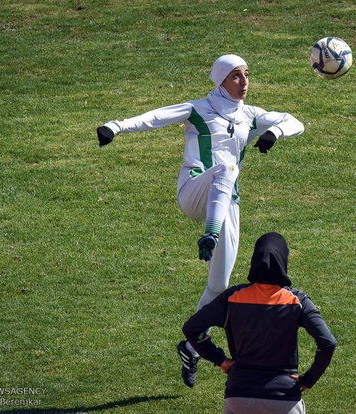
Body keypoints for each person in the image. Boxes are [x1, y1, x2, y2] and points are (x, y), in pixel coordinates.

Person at [96, 55, 305, 387]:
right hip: (194, 193)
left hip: (226, 206)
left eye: (247, 75)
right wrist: (115, 126)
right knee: (227, 168)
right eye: (236, 76)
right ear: (220, 79)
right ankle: (208, 234)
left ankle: (193, 345)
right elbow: (155, 118)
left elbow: (296, 121)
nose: (244, 82)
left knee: (219, 285)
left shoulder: (251, 115)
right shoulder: (198, 108)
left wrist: (274, 133)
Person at [182, 232, 336, 413]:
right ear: (283, 260)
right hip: (284, 400)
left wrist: (220, 359)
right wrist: (308, 379)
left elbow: (192, 328)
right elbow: (327, 342)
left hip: (238, 397)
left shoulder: (232, 297)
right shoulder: (297, 301)